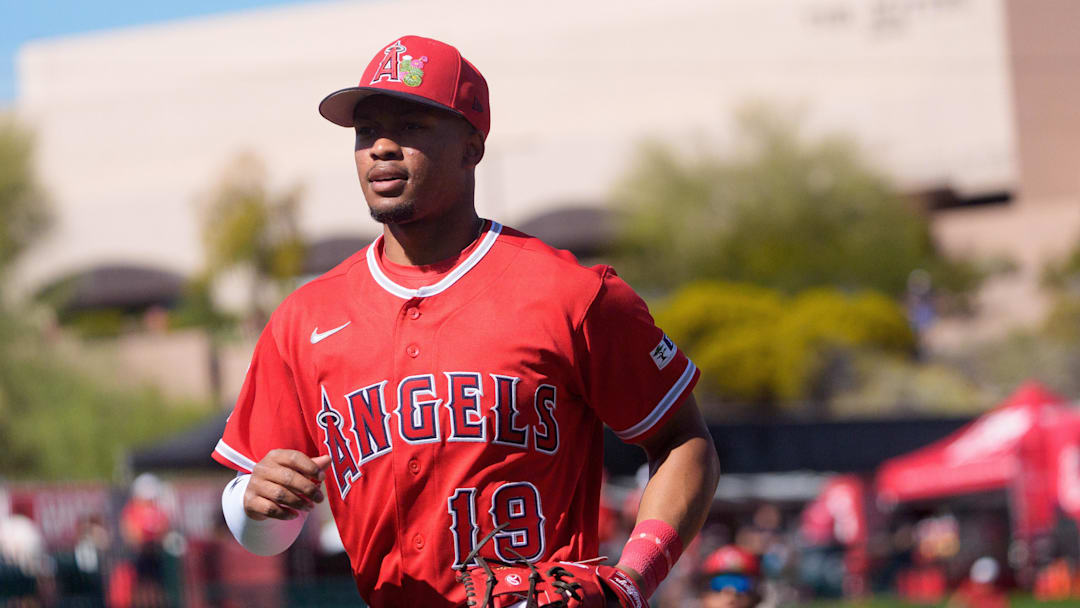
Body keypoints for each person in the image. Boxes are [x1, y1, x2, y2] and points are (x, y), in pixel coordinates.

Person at [212, 34, 720, 607]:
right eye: (365, 130)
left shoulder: (572, 295)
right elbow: (261, 531)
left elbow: (683, 443)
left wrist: (632, 581)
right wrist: (258, 503)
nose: (381, 147)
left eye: (411, 126)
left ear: (471, 147)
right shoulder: (304, 318)